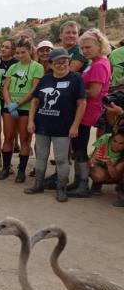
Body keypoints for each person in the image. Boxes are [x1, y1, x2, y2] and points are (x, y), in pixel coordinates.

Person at [25, 48, 87, 202]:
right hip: (42, 126)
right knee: (41, 157)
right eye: (57, 62)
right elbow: (35, 101)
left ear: (69, 62)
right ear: (51, 64)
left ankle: (61, 188)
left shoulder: (76, 79)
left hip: (63, 127)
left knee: (61, 159)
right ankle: (38, 184)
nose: (61, 65)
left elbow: (82, 103)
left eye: (64, 62)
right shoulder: (45, 79)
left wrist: (75, 125)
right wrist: (31, 121)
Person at [66, 28, 112, 197]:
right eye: (82, 48)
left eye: (88, 47)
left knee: (79, 148)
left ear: (99, 45)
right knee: (77, 147)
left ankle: (82, 184)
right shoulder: (96, 62)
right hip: (85, 110)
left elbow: (94, 92)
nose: (84, 51)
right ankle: (78, 181)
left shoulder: (99, 64)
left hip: (87, 111)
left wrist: (72, 91)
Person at [0, 38, 44, 182]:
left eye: (23, 52)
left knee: (25, 139)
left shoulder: (37, 67)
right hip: (9, 107)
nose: (20, 55)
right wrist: (9, 103)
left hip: (26, 107)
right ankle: (6, 168)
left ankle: (21, 171)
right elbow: (5, 87)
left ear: (30, 50)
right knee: (8, 137)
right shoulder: (13, 67)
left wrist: (17, 103)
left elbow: (34, 89)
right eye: (17, 52)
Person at [89, 130, 124, 199]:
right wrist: (93, 162)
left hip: (116, 174)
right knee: (96, 174)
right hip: (103, 169)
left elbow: (115, 176)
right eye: (114, 141)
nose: (116, 145)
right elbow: (91, 162)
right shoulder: (105, 138)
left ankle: (121, 188)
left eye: (121, 144)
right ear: (111, 139)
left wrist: (109, 165)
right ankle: (96, 183)